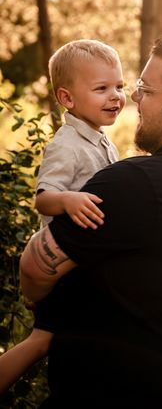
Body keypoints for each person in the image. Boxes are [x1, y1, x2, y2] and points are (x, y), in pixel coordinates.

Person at [20, 33, 162, 409]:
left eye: (145, 89)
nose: (132, 97)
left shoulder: (139, 182)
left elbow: (35, 267)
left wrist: (36, 302)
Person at [0, 39, 125, 396]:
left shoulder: (101, 141)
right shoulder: (66, 145)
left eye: (119, 86)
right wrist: (67, 200)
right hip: (62, 265)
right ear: (67, 98)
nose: (115, 96)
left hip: (81, 264)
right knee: (41, 342)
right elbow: (44, 199)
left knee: (65, 341)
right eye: (101, 88)